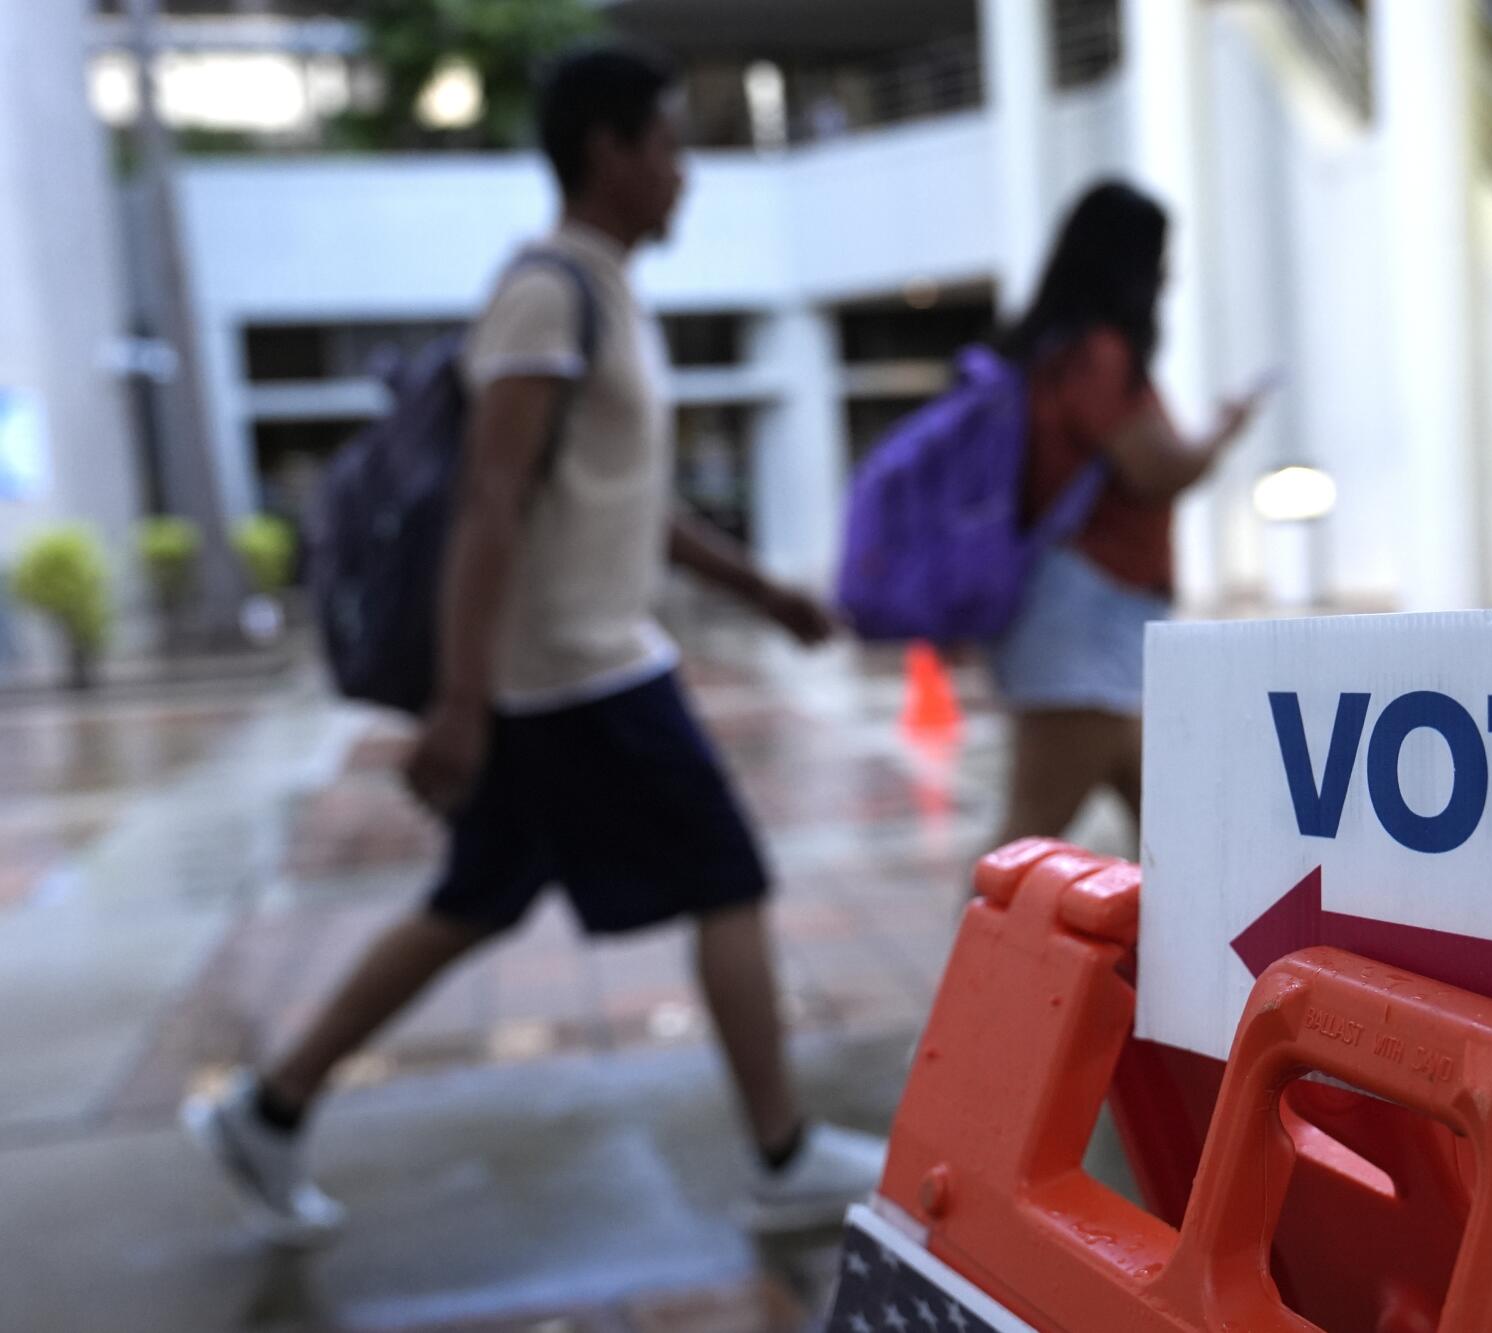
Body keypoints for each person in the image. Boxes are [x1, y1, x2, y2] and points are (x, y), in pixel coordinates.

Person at [183, 46, 883, 1242]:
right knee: (729, 873)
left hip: (574, 663)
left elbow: (620, 498)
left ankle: (269, 1107)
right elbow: (490, 500)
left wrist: (760, 590)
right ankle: (777, 1151)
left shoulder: (604, 289)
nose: (684, 172)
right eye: (667, 144)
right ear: (605, 153)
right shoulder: (546, 294)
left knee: (475, 900)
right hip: (573, 672)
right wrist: (458, 700)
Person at [987, 181, 1265, 846]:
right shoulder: (1096, 356)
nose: (1168, 273)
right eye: (1159, 256)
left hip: (1098, 616)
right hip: (1085, 616)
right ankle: (972, 952)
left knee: (1174, 824)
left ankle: (1174, 949)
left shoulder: (1057, 350)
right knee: (1027, 836)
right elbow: (1157, 470)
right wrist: (1224, 430)